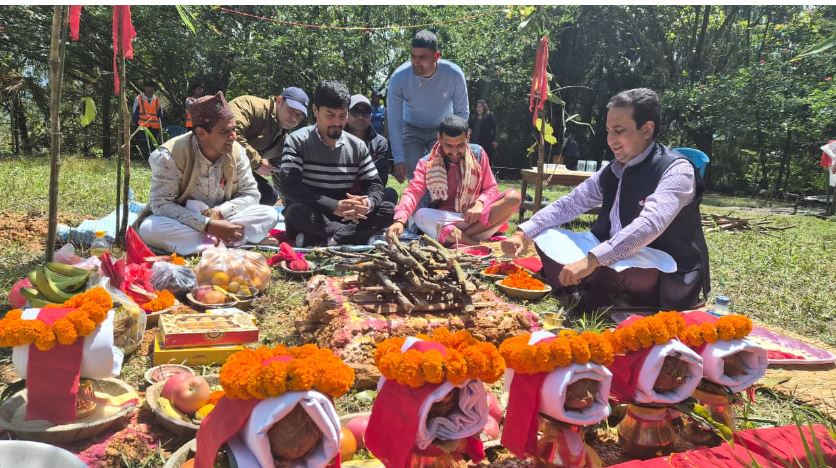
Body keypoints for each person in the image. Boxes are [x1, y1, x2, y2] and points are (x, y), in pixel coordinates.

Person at [501, 88, 710, 312]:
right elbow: (570, 204)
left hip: (660, 264)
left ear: (647, 129)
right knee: (545, 235)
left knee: (621, 272)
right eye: (608, 131)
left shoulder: (676, 170)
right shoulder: (613, 169)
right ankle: (590, 290)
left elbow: (650, 225)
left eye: (619, 131)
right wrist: (524, 234)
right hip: (610, 253)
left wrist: (591, 261)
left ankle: (588, 291)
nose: (611, 140)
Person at [135, 92, 279, 256]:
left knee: (269, 214)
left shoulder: (237, 152)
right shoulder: (169, 156)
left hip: (225, 218)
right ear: (201, 133)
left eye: (234, 129)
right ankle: (232, 240)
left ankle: (210, 243)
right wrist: (207, 225)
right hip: (184, 221)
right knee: (149, 228)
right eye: (225, 131)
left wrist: (219, 213)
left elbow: (251, 194)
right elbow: (161, 205)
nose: (233, 137)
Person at [279, 80, 395, 247]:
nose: (336, 122)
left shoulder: (357, 146)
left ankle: (327, 238)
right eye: (330, 115)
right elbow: (290, 187)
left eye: (342, 116)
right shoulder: (297, 140)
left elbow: (375, 185)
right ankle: (352, 236)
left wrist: (367, 204)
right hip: (314, 211)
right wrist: (334, 206)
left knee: (388, 209)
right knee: (294, 213)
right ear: (315, 110)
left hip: (347, 214)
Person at [386, 115, 520, 245]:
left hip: (474, 219)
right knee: (421, 214)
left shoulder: (478, 153)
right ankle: (473, 242)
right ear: (439, 138)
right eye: (449, 145)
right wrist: (399, 220)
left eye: (460, 145)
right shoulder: (427, 162)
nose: (455, 152)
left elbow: (491, 188)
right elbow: (413, 192)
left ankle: (458, 239)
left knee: (513, 198)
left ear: (468, 136)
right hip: (444, 220)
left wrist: (479, 203)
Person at [387, 30, 469, 182]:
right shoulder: (398, 78)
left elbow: (462, 113)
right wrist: (398, 158)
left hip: (443, 129)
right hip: (411, 128)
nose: (416, 62)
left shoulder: (454, 74)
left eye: (422, 57)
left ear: (436, 56)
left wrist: (454, 141)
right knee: (415, 169)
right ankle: (419, 204)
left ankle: (441, 203)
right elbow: (394, 120)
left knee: (442, 171)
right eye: (413, 56)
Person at [228, 87, 309, 206]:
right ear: (280, 101)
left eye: (299, 115)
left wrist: (292, 204)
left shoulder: (284, 138)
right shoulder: (249, 105)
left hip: (238, 171)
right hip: (213, 165)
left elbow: (280, 172)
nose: (294, 118)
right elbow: (231, 134)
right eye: (291, 110)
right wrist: (258, 162)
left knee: (268, 196)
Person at [345, 94, 398, 205]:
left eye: (365, 113)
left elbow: (380, 180)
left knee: (390, 195)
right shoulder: (335, 137)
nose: (360, 117)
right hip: (341, 194)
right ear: (346, 114)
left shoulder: (380, 143)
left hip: (368, 195)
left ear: (370, 116)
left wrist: (364, 201)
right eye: (355, 112)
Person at [132, 81, 163, 157]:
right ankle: (146, 159)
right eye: (148, 87)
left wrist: (160, 126)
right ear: (144, 88)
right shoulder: (138, 98)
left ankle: (153, 159)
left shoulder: (157, 100)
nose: (149, 89)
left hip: (154, 126)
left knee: (154, 143)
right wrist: (137, 124)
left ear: (154, 88)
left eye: (151, 87)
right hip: (142, 125)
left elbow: (160, 114)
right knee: (144, 143)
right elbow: (135, 113)